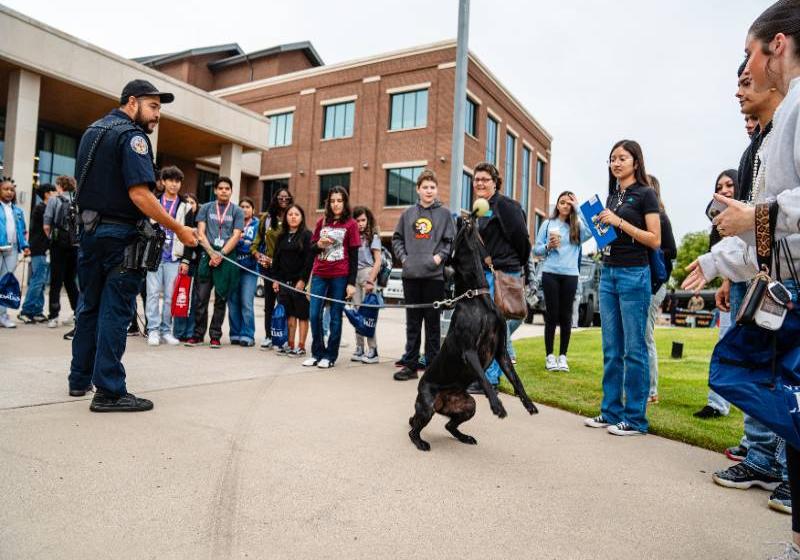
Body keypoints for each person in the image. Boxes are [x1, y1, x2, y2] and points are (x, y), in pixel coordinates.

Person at [684, 3, 800, 551]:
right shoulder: (779, 126)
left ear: (775, 45)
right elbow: (769, 237)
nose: (743, 73)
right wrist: (712, 261)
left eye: (748, 53)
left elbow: (773, 218)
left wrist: (755, 215)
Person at [68, 79, 197, 412]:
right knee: (115, 310)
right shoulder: (132, 137)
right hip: (118, 238)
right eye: (153, 107)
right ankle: (109, 391)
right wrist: (179, 229)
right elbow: (139, 194)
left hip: (89, 233)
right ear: (132, 102)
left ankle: (79, 379)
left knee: (89, 307)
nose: (157, 116)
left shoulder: (92, 131)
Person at [583, 140, 661, 436]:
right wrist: (601, 226)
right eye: (612, 158)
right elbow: (610, 235)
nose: (616, 163)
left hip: (633, 275)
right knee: (611, 348)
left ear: (636, 163)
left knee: (634, 349)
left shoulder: (645, 194)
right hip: (609, 272)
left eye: (622, 158)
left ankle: (636, 419)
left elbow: (654, 239)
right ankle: (610, 411)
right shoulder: (613, 195)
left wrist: (618, 222)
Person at [464, 162, 529, 392]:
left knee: (492, 327)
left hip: (503, 273)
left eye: (485, 179)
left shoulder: (507, 206)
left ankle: (490, 379)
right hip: (484, 275)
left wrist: (512, 267)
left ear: (495, 182)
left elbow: (523, 241)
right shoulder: (479, 209)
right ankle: (487, 373)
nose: (480, 183)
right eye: (476, 179)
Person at [392, 170, 455, 381]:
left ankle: (433, 368)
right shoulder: (408, 214)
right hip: (411, 275)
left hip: (434, 278)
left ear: (436, 190)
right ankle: (410, 365)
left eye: (432, 187)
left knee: (433, 324)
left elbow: (450, 242)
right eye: (425, 187)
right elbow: (397, 239)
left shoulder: (444, 215)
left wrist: (438, 259)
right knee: (412, 323)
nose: (429, 191)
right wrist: (404, 258)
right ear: (418, 189)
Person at [694, 169, 739, 419]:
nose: (724, 190)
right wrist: (725, 282)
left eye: (730, 185)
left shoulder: (749, 214)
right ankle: (717, 403)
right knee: (724, 346)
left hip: (753, 291)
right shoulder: (718, 222)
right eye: (720, 186)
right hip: (732, 291)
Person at [532, 190, 591, 372]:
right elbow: (536, 250)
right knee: (552, 315)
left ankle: (562, 357)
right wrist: (548, 246)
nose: (565, 205)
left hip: (570, 275)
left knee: (566, 316)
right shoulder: (548, 224)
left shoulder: (577, 227)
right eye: (562, 202)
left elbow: (592, 231)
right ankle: (550, 356)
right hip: (550, 273)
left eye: (569, 203)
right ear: (557, 205)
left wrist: (579, 209)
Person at [302, 186, 359, 368]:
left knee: (335, 316)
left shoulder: (351, 224)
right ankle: (317, 352)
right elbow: (311, 249)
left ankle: (330, 355)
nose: (335, 204)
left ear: (345, 202)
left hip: (340, 275)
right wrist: (318, 244)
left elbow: (354, 255)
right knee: (314, 314)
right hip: (319, 273)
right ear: (328, 203)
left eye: (339, 201)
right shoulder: (322, 222)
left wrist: (351, 283)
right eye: (332, 201)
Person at [185, 177, 244, 349]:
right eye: (221, 188)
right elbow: (200, 232)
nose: (224, 191)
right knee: (201, 298)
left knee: (220, 300)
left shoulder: (237, 211)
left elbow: (236, 235)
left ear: (231, 191)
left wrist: (221, 254)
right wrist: (211, 253)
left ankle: (215, 336)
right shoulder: (205, 208)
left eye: (227, 188)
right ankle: (197, 335)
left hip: (226, 259)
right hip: (207, 257)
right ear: (216, 190)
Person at [144, 166, 189, 347]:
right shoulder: (153, 201)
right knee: (153, 294)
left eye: (177, 181)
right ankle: (153, 330)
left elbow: (189, 233)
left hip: (174, 257)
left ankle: (166, 330)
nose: (173, 184)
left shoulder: (186, 206)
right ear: (163, 182)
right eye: (170, 180)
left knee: (170, 296)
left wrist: (185, 259)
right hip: (154, 255)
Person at [644, 175, 677, 404]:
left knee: (645, 337)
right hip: (640, 282)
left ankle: (651, 391)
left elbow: (671, 251)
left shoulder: (661, 219)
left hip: (654, 284)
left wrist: (648, 246)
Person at [252, 188, 292, 349]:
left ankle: (284, 337)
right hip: (268, 268)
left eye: (286, 198)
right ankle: (269, 335)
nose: (283, 200)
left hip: (286, 268)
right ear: (275, 199)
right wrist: (257, 254)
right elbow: (257, 240)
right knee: (269, 303)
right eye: (280, 197)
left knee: (285, 303)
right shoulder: (266, 218)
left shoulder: (292, 217)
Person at [271, 204, 313, 356]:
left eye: (296, 214)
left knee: (302, 315)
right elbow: (276, 260)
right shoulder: (281, 236)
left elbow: (309, 261)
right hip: (284, 282)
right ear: (286, 217)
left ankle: (301, 347)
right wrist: (275, 279)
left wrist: (303, 280)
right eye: (290, 214)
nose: (293, 217)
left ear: (301, 217)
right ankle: (290, 344)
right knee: (289, 316)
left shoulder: (307, 235)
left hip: (300, 283)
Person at [43, 175, 80, 331]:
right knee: (71, 281)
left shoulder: (54, 200)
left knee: (56, 281)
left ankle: (53, 316)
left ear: (60, 186)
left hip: (58, 245)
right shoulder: (77, 201)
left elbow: (46, 224)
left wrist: (52, 238)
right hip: (74, 246)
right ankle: (78, 313)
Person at [18, 183, 56, 324]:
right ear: (47, 194)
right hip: (39, 249)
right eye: (53, 191)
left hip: (43, 250)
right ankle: (26, 311)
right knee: (38, 280)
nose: (56, 194)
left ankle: (37, 311)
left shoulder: (44, 208)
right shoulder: (42, 208)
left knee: (40, 281)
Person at [351, 206, 382, 364]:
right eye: (357, 221)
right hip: (353, 275)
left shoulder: (373, 236)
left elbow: (378, 261)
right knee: (356, 313)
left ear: (368, 220)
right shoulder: (352, 236)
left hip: (368, 273)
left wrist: (371, 279)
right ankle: (359, 347)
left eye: (363, 220)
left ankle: (373, 349)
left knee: (368, 314)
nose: (360, 223)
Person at [227, 197, 259, 347]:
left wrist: (239, 242)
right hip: (233, 268)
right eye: (242, 206)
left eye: (248, 206)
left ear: (253, 210)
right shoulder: (233, 223)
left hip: (250, 269)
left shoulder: (257, 225)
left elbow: (255, 246)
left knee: (246, 302)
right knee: (233, 302)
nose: (245, 209)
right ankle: (235, 333)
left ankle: (247, 334)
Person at [0, 178, 31, 328]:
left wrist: (25, 246)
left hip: (12, 250)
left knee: (6, 283)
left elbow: (22, 231)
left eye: (12, 190)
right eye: (6, 189)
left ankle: (2, 316)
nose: (9, 192)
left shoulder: (18, 211)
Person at [172, 193, 199, 342]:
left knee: (195, 300)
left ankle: (190, 332)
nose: (190, 205)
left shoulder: (201, 221)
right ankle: (178, 331)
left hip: (197, 264)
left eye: (192, 202)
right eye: (187, 202)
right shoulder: (181, 220)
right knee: (181, 297)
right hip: (184, 263)